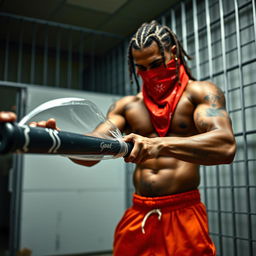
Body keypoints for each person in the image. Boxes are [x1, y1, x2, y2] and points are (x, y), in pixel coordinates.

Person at [0, 21, 236, 255]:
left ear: (173, 53)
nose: (150, 74)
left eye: (156, 64)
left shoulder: (201, 93)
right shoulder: (128, 106)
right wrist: (58, 140)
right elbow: (93, 152)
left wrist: (158, 144)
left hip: (183, 211)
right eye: (141, 68)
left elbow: (224, 145)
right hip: (139, 211)